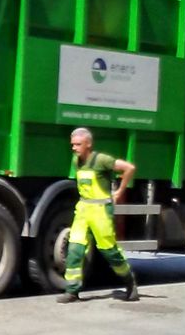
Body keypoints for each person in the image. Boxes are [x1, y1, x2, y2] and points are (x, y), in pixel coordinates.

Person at [58, 127, 140, 303]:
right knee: (74, 249)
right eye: (72, 145)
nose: (74, 148)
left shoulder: (102, 160)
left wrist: (119, 191)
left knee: (109, 251)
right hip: (83, 209)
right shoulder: (76, 161)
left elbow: (129, 168)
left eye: (78, 144)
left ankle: (130, 282)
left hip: (101, 211)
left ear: (88, 144)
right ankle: (72, 291)